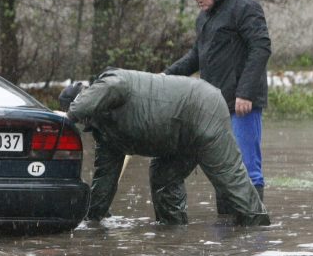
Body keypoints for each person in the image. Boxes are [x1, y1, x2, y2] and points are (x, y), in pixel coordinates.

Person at [67, 68, 270, 226]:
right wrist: (91, 219)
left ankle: (260, 230)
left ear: (89, 99)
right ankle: (173, 233)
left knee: (229, 178)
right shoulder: (104, 132)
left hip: (202, 106)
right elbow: (104, 180)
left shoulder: (111, 84)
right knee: (163, 178)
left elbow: (113, 85)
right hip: (173, 137)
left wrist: (69, 116)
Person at [164, 0, 271, 211]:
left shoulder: (245, 7)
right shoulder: (204, 18)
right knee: (222, 168)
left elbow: (261, 48)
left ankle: (253, 229)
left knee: (247, 168)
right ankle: (228, 234)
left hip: (243, 104)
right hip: (214, 106)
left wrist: (245, 93)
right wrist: (165, 76)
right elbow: (196, 57)